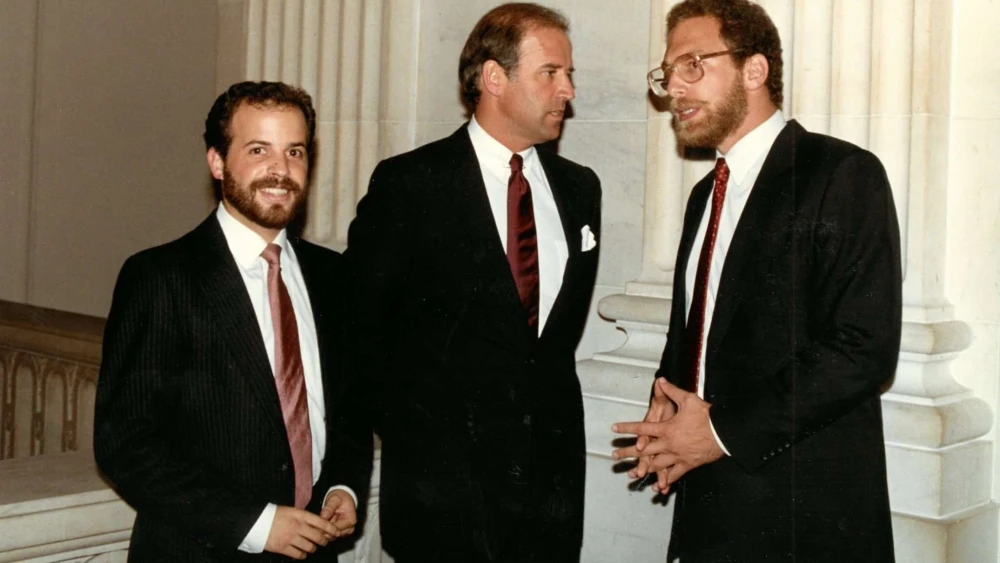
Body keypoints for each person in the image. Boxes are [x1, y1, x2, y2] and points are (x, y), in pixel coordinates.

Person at [611, 1, 901, 561]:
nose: (674, 87)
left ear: (755, 70)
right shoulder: (704, 196)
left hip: (799, 512)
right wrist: (668, 404)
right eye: (667, 72)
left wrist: (719, 434)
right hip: (710, 504)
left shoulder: (840, 173)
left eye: (693, 64)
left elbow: (861, 351)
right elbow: (707, 328)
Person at [344, 3, 601, 562]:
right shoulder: (411, 185)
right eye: (551, 73)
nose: (568, 91)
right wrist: (421, 440)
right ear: (493, 78)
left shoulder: (580, 189)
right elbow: (359, 332)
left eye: (569, 74)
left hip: (548, 501)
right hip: (442, 503)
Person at [94, 81, 373, 563]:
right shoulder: (162, 278)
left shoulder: (334, 276)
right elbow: (127, 444)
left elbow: (347, 412)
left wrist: (342, 488)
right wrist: (256, 524)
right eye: (259, 150)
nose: (280, 170)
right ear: (218, 162)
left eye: (295, 151)